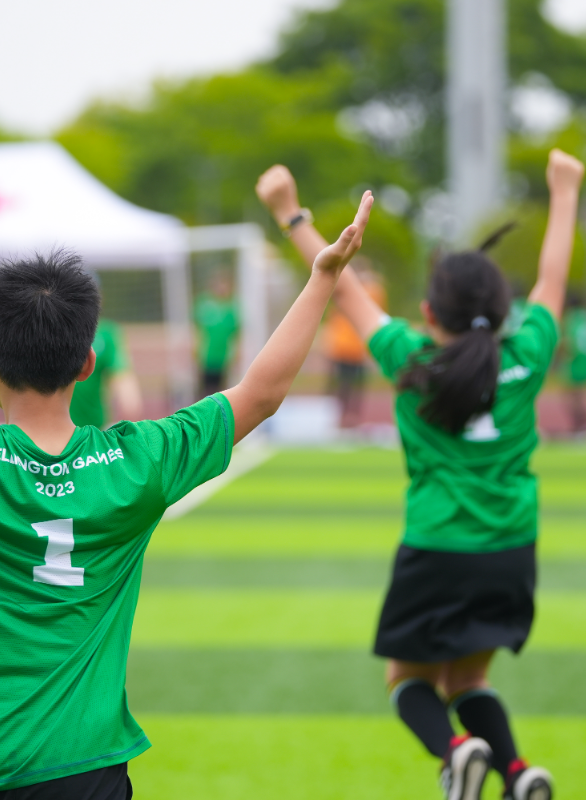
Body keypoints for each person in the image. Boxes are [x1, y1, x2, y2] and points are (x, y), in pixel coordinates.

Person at [0, 191, 374, 799]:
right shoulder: (137, 463)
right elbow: (260, 392)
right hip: (88, 765)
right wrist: (323, 278)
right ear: (88, 363)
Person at [256, 150, 584, 800]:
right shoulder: (529, 351)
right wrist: (566, 193)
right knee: (469, 682)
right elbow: (551, 278)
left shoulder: (411, 359)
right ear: (504, 309)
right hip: (512, 553)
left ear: (429, 314)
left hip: (438, 549)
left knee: (409, 683)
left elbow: (342, 285)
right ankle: (517, 775)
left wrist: (289, 212)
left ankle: (457, 752)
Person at [322, 259, 387, 427]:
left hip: (359, 346)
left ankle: (352, 417)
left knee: (357, 385)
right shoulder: (344, 289)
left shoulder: (371, 290)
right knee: (342, 384)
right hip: (343, 346)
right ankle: (340, 417)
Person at [70, 318, 143, 428]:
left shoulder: (105, 335)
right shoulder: (46, 330)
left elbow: (125, 384)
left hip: (94, 430)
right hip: (52, 431)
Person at [194, 270, 240, 397]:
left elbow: (236, 334)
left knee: (220, 391)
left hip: (223, 357)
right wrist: (195, 348)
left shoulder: (231, 308)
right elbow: (198, 330)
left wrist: (236, 353)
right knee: (203, 389)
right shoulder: (205, 305)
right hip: (206, 356)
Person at [561, 296, 586, 432]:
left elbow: (569, 343)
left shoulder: (570, 318)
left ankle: (579, 426)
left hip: (575, 363)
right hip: (584, 360)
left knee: (573, 396)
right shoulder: (584, 317)